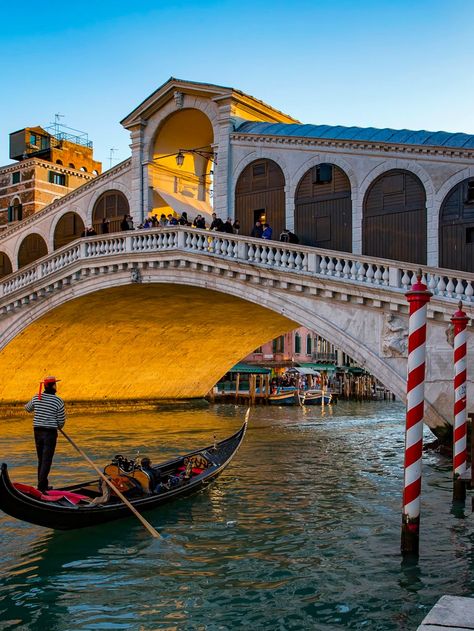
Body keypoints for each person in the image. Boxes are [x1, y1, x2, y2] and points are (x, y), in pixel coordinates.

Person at [25, 376, 66, 493]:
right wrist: (58, 426)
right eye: (55, 384)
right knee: (46, 460)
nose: (56, 386)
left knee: (41, 459)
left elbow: (27, 409)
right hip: (50, 433)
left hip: (37, 431)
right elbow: (61, 420)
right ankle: (42, 487)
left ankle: (42, 485)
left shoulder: (36, 398)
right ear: (53, 386)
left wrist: (38, 407)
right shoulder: (58, 401)